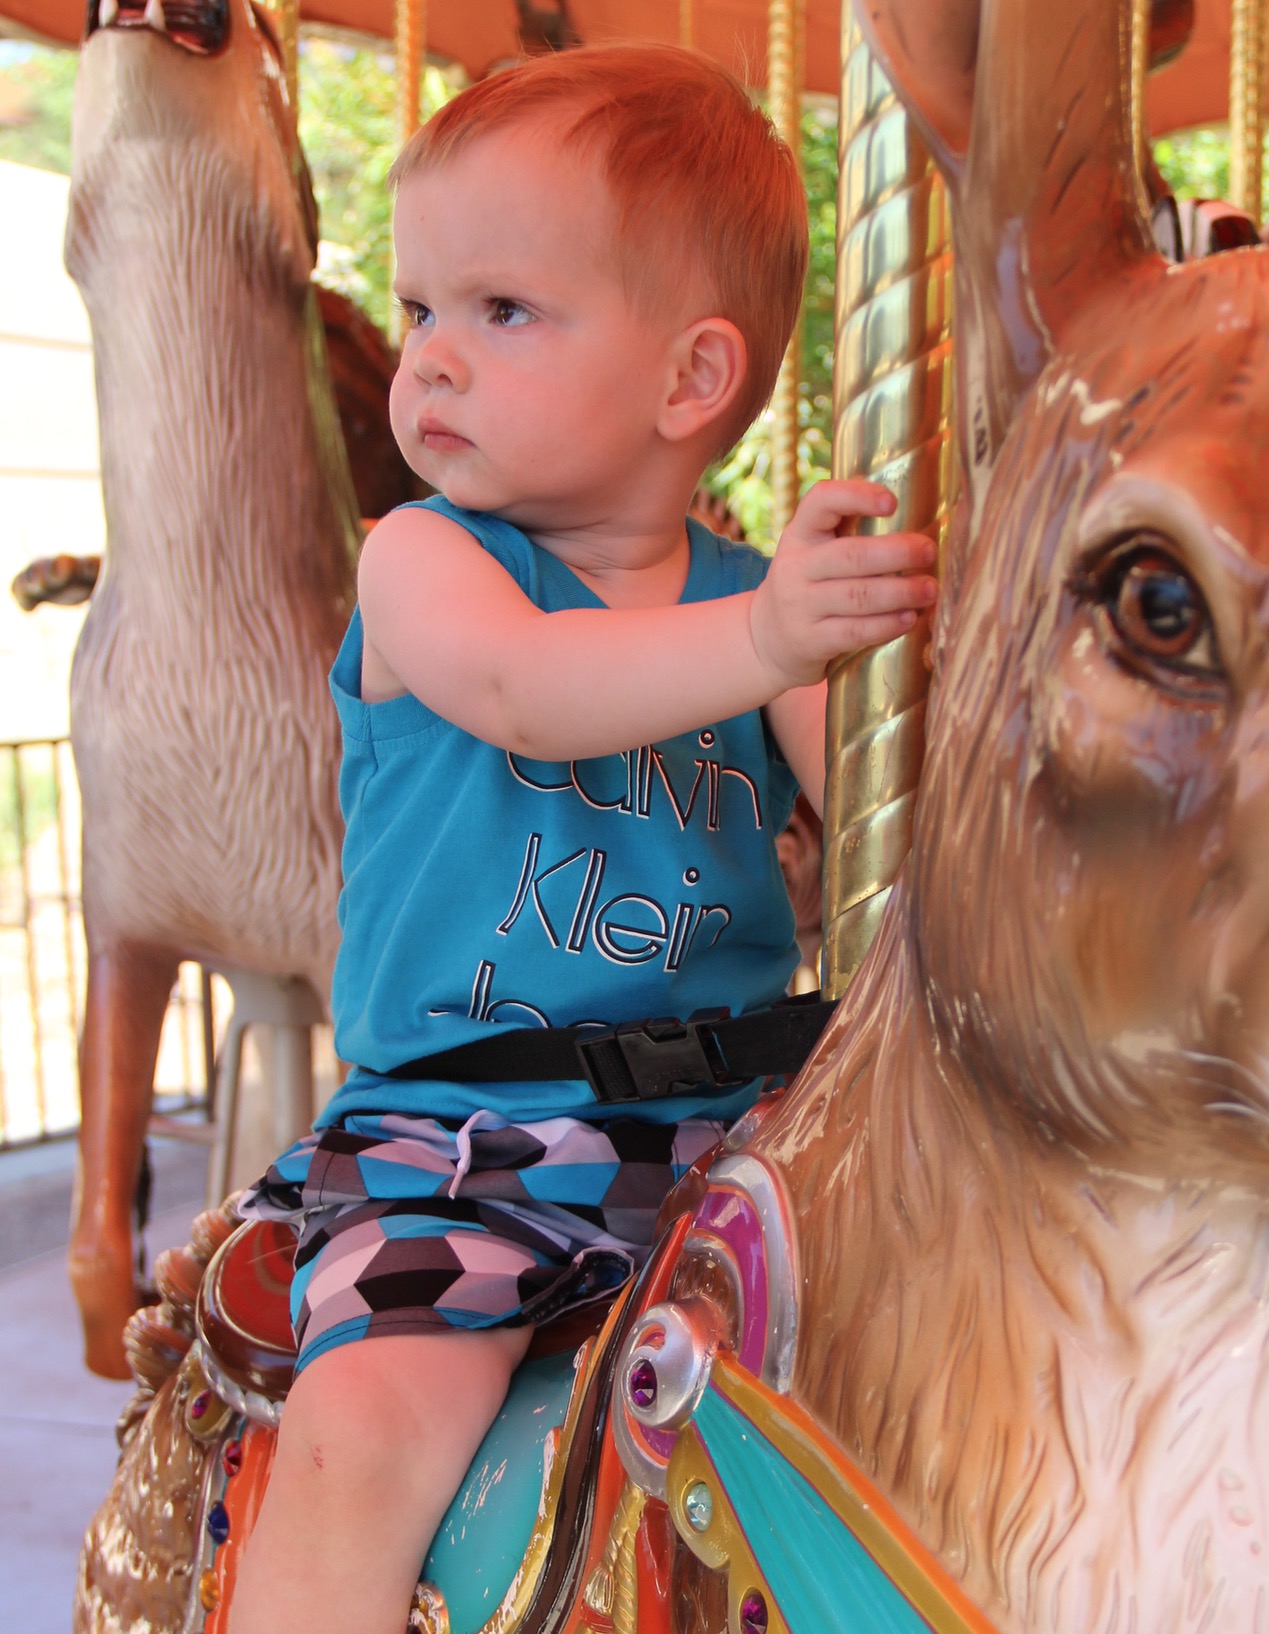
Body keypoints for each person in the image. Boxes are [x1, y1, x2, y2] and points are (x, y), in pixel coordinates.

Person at [228, 41, 937, 1634]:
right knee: (372, 1430)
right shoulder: (428, 562)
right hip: (466, 1145)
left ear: (691, 380)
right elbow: (526, 692)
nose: (429, 361)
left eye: (502, 312)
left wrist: (891, 662)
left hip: (742, 1139)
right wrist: (774, 640)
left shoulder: (750, 599)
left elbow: (913, 844)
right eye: (419, 310)